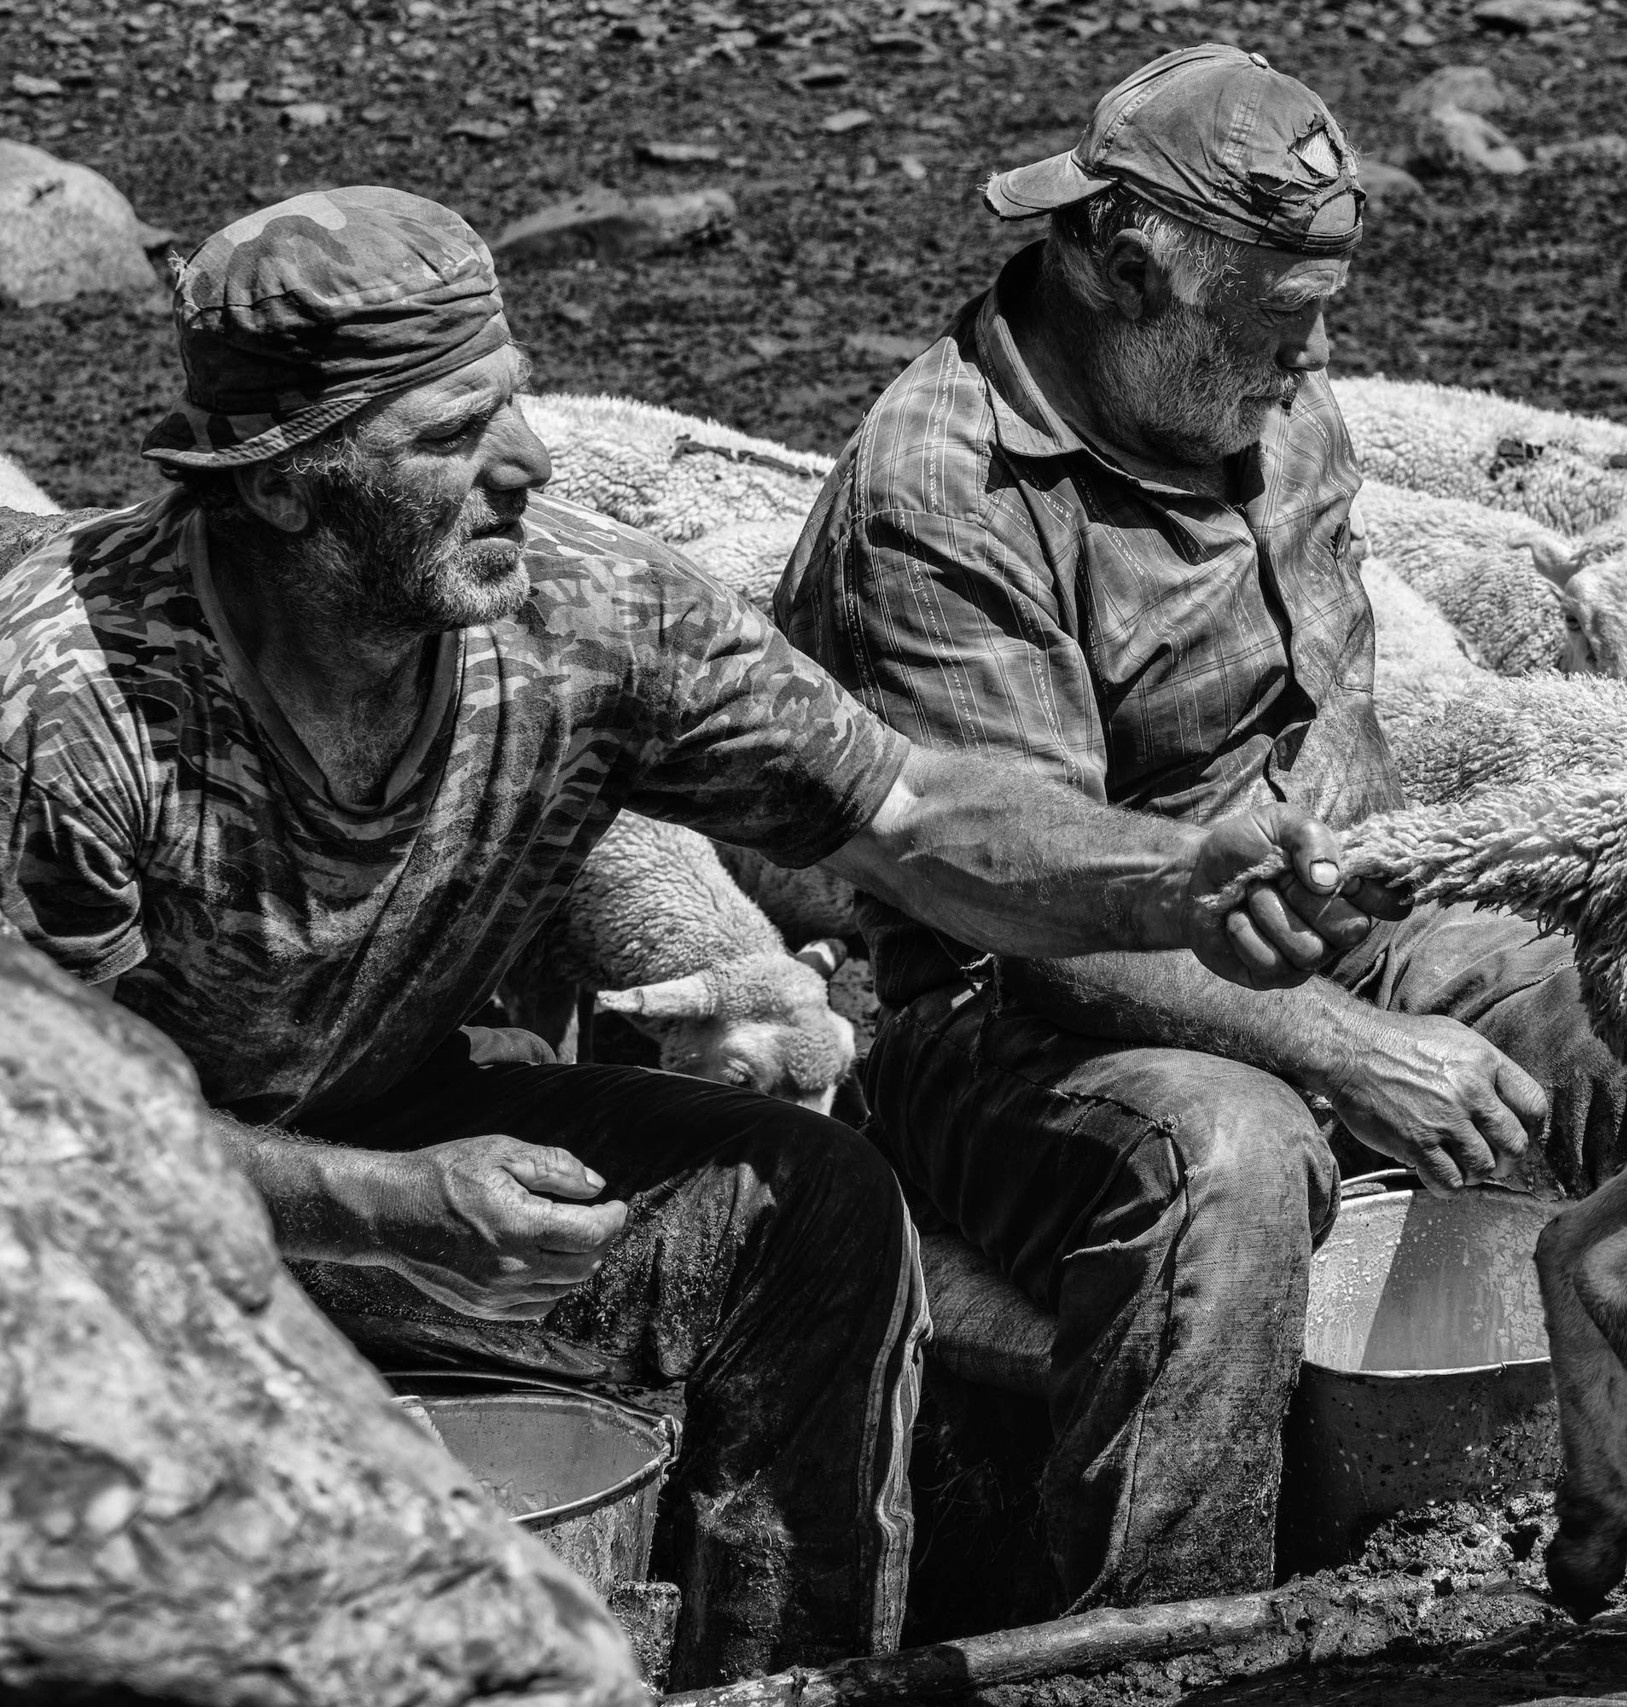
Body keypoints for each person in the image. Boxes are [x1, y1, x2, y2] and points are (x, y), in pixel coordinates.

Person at [0, 187, 1394, 1688]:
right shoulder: (76, 710)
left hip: (381, 1125)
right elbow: (57, 1150)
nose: (525, 462)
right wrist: (376, 1201)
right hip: (89, 1229)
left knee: (805, 1208)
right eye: (449, 433)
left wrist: (1170, 876)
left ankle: (784, 1671)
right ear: (282, 486)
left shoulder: (593, 619)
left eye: (515, 401)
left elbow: (912, 807)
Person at [771, 44, 1627, 1618]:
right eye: (1275, 318)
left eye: (1322, 311)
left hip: (1309, 915)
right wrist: (1345, 1044)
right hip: (1009, 1010)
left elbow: (1337, 695)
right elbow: (1023, 905)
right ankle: (1170, 1628)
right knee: (1226, 1151)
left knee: (1620, 1008)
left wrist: (1344, 874)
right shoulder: (948, 493)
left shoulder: (1271, 402)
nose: (1314, 361)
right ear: (1121, 268)